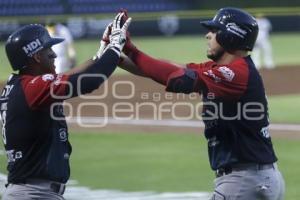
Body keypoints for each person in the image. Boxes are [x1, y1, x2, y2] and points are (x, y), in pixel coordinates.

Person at [115, 8, 285, 200]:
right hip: (256, 178)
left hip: (244, 181)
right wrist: (115, 55)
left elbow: (178, 78)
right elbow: (173, 68)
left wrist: (130, 49)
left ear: (230, 36)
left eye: (214, 31)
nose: (208, 35)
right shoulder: (226, 69)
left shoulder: (234, 74)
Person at [0, 12, 131, 200]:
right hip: (34, 194)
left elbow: (70, 76)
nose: (54, 54)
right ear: (36, 56)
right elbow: (88, 82)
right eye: (48, 50)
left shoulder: (21, 86)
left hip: (30, 192)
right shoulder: (33, 88)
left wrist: (100, 54)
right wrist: (116, 45)